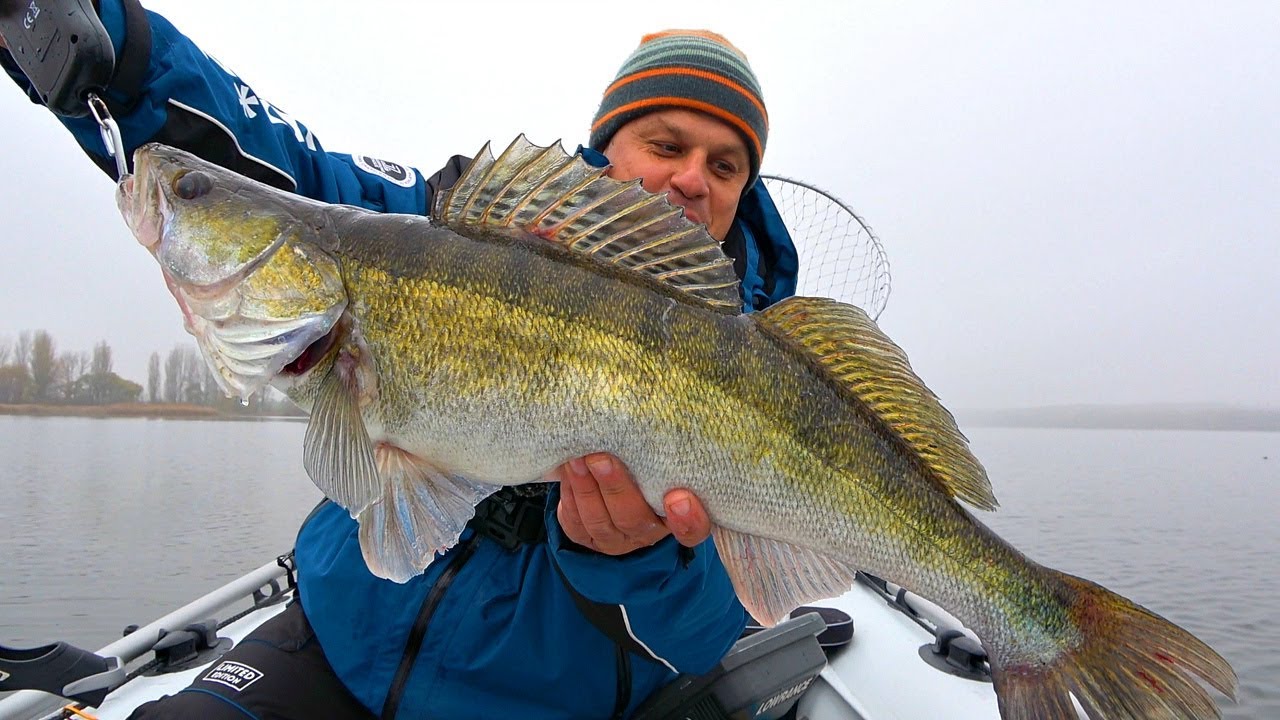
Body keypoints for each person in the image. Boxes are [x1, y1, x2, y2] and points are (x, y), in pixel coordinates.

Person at [2, 4, 799, 718]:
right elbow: (288, 170)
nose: (692, 178)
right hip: (335, 640)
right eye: (666, 144)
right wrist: (117, 52)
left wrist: (641, 558)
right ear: (605, 149)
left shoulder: (772, 376)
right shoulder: (452, 233)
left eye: (726, 165)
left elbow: (710, 630)